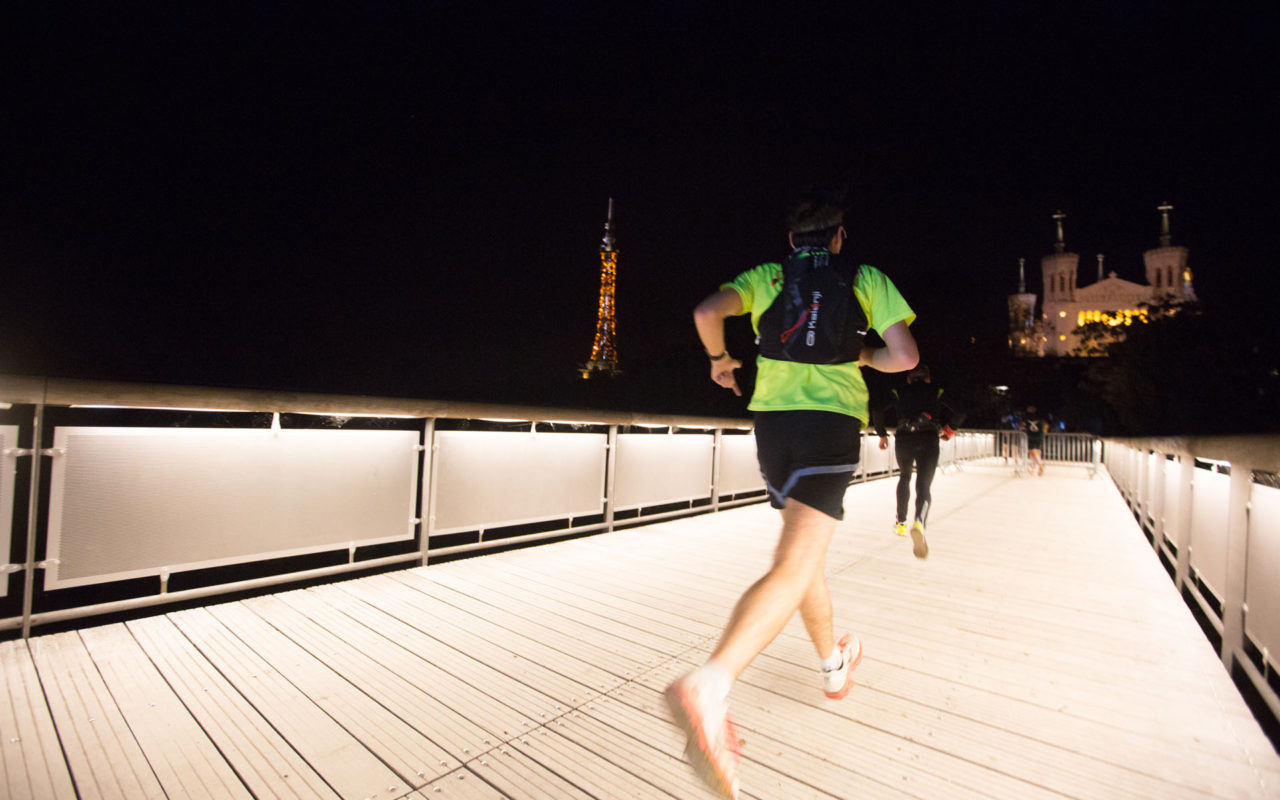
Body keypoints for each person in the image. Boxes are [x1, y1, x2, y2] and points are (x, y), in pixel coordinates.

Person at [667, 191, 918, 799]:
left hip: (773, 430)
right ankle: (710, 684)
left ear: (790, 241)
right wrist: (854, 350)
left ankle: (833, 664)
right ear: (838, 237)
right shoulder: (862, 277)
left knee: (806, 558)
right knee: (793, 561)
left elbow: (706, 312)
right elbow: (903, 357)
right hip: (829, 425)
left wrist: (721, 361)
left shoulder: (766, 276)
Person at [872, 364, 965, 559]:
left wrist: (882, 434)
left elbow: (877, 410)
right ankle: (919, 522)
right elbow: (961, 411)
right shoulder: (936, 391)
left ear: (908, 378)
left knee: (904, 477)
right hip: (929, 438)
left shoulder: (898, 391)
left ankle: (900, 523)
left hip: (904, 438)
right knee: (923, 485)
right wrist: (949, 429)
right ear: (928, 378)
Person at [1024, 406, 1047, 476]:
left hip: (1032, 437)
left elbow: (1023, 426)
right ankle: (1035, 468)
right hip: (1040, 437)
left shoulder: (1027, 419)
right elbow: (1045, 426)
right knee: (1037, 452)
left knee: (1032, 452)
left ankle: (1040, 465)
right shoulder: (1040, 419)